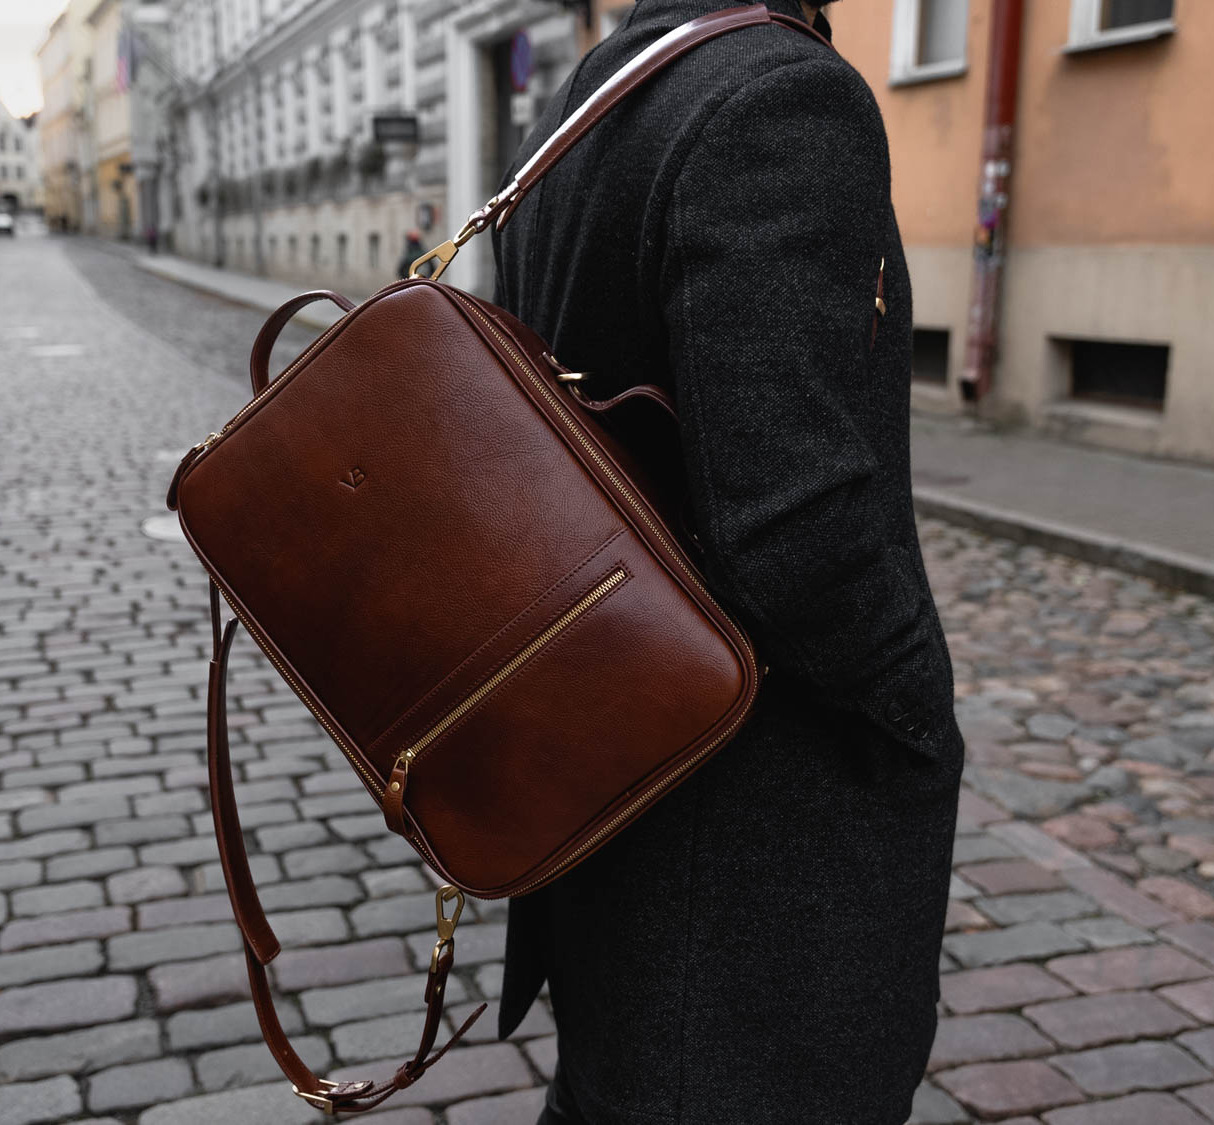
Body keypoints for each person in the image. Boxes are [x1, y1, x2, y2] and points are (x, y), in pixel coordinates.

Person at [488, 0, 963, 1121]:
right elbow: (793, 522)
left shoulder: (592, 104)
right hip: (755, 835)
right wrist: (915, 707)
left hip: (617, 793)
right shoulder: (779, 94)